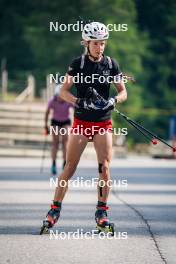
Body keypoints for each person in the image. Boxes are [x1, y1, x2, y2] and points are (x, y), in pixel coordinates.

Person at [40, 21, 127, 234]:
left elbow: (123, 91)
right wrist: (78, 102)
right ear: (86, 43)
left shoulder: (111, 64)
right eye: (96, 43)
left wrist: (113, 101)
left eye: (103, 43)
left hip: (103, 123)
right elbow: (63, 91)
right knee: (70, 167)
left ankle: (102, 213)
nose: (100, 47)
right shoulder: (77, 64)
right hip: (81, 123)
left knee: (104, 167)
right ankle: (54, 209)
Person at [44, 85, 73, 175]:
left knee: (65, 142)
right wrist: (45, 125)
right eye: (60, 95)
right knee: (55, 143)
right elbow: (47, 112)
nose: (61, 98)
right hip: (55, 122)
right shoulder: (52, 100)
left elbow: (76, 109)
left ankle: (65, 163)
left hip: (66, 122)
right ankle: (53, 164)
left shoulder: (68, 100)